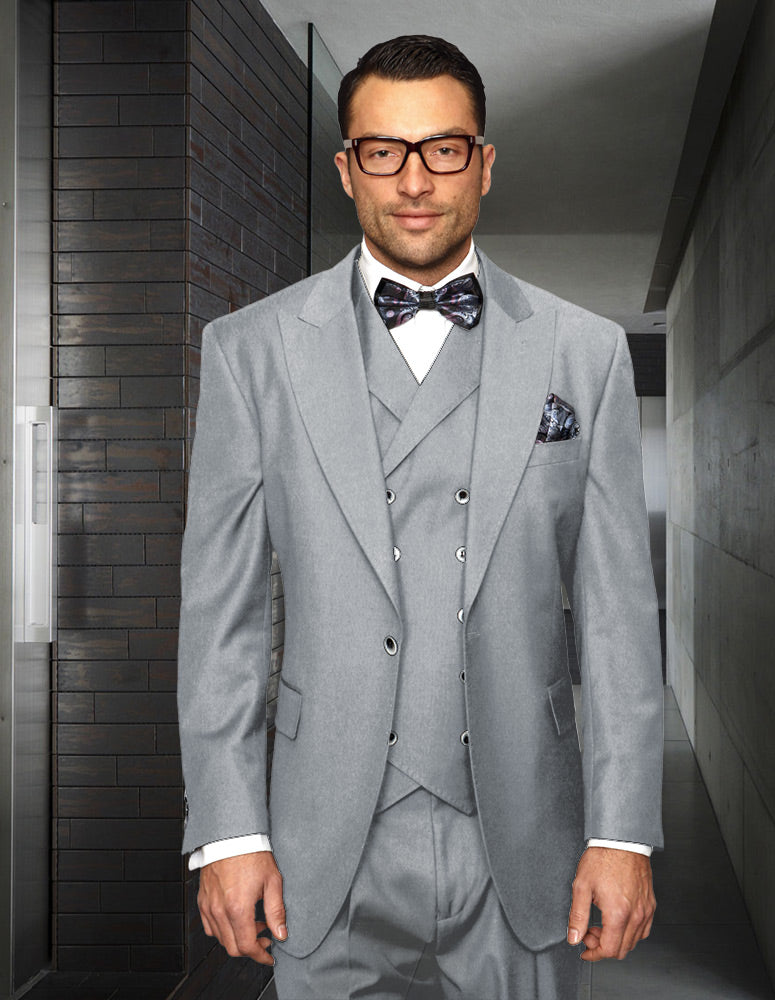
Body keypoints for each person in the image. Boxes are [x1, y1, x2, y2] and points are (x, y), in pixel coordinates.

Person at [177, 34, 663, 1000]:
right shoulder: (250, 352)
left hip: (527, 835)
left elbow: (613, 617)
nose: (413, 180)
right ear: (346, 169)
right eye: (382, 151)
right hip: (321, 838)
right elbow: (222, 616)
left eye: (442, 148)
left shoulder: (586, 352)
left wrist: (621, 831)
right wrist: (228, 829)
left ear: (482, 164)